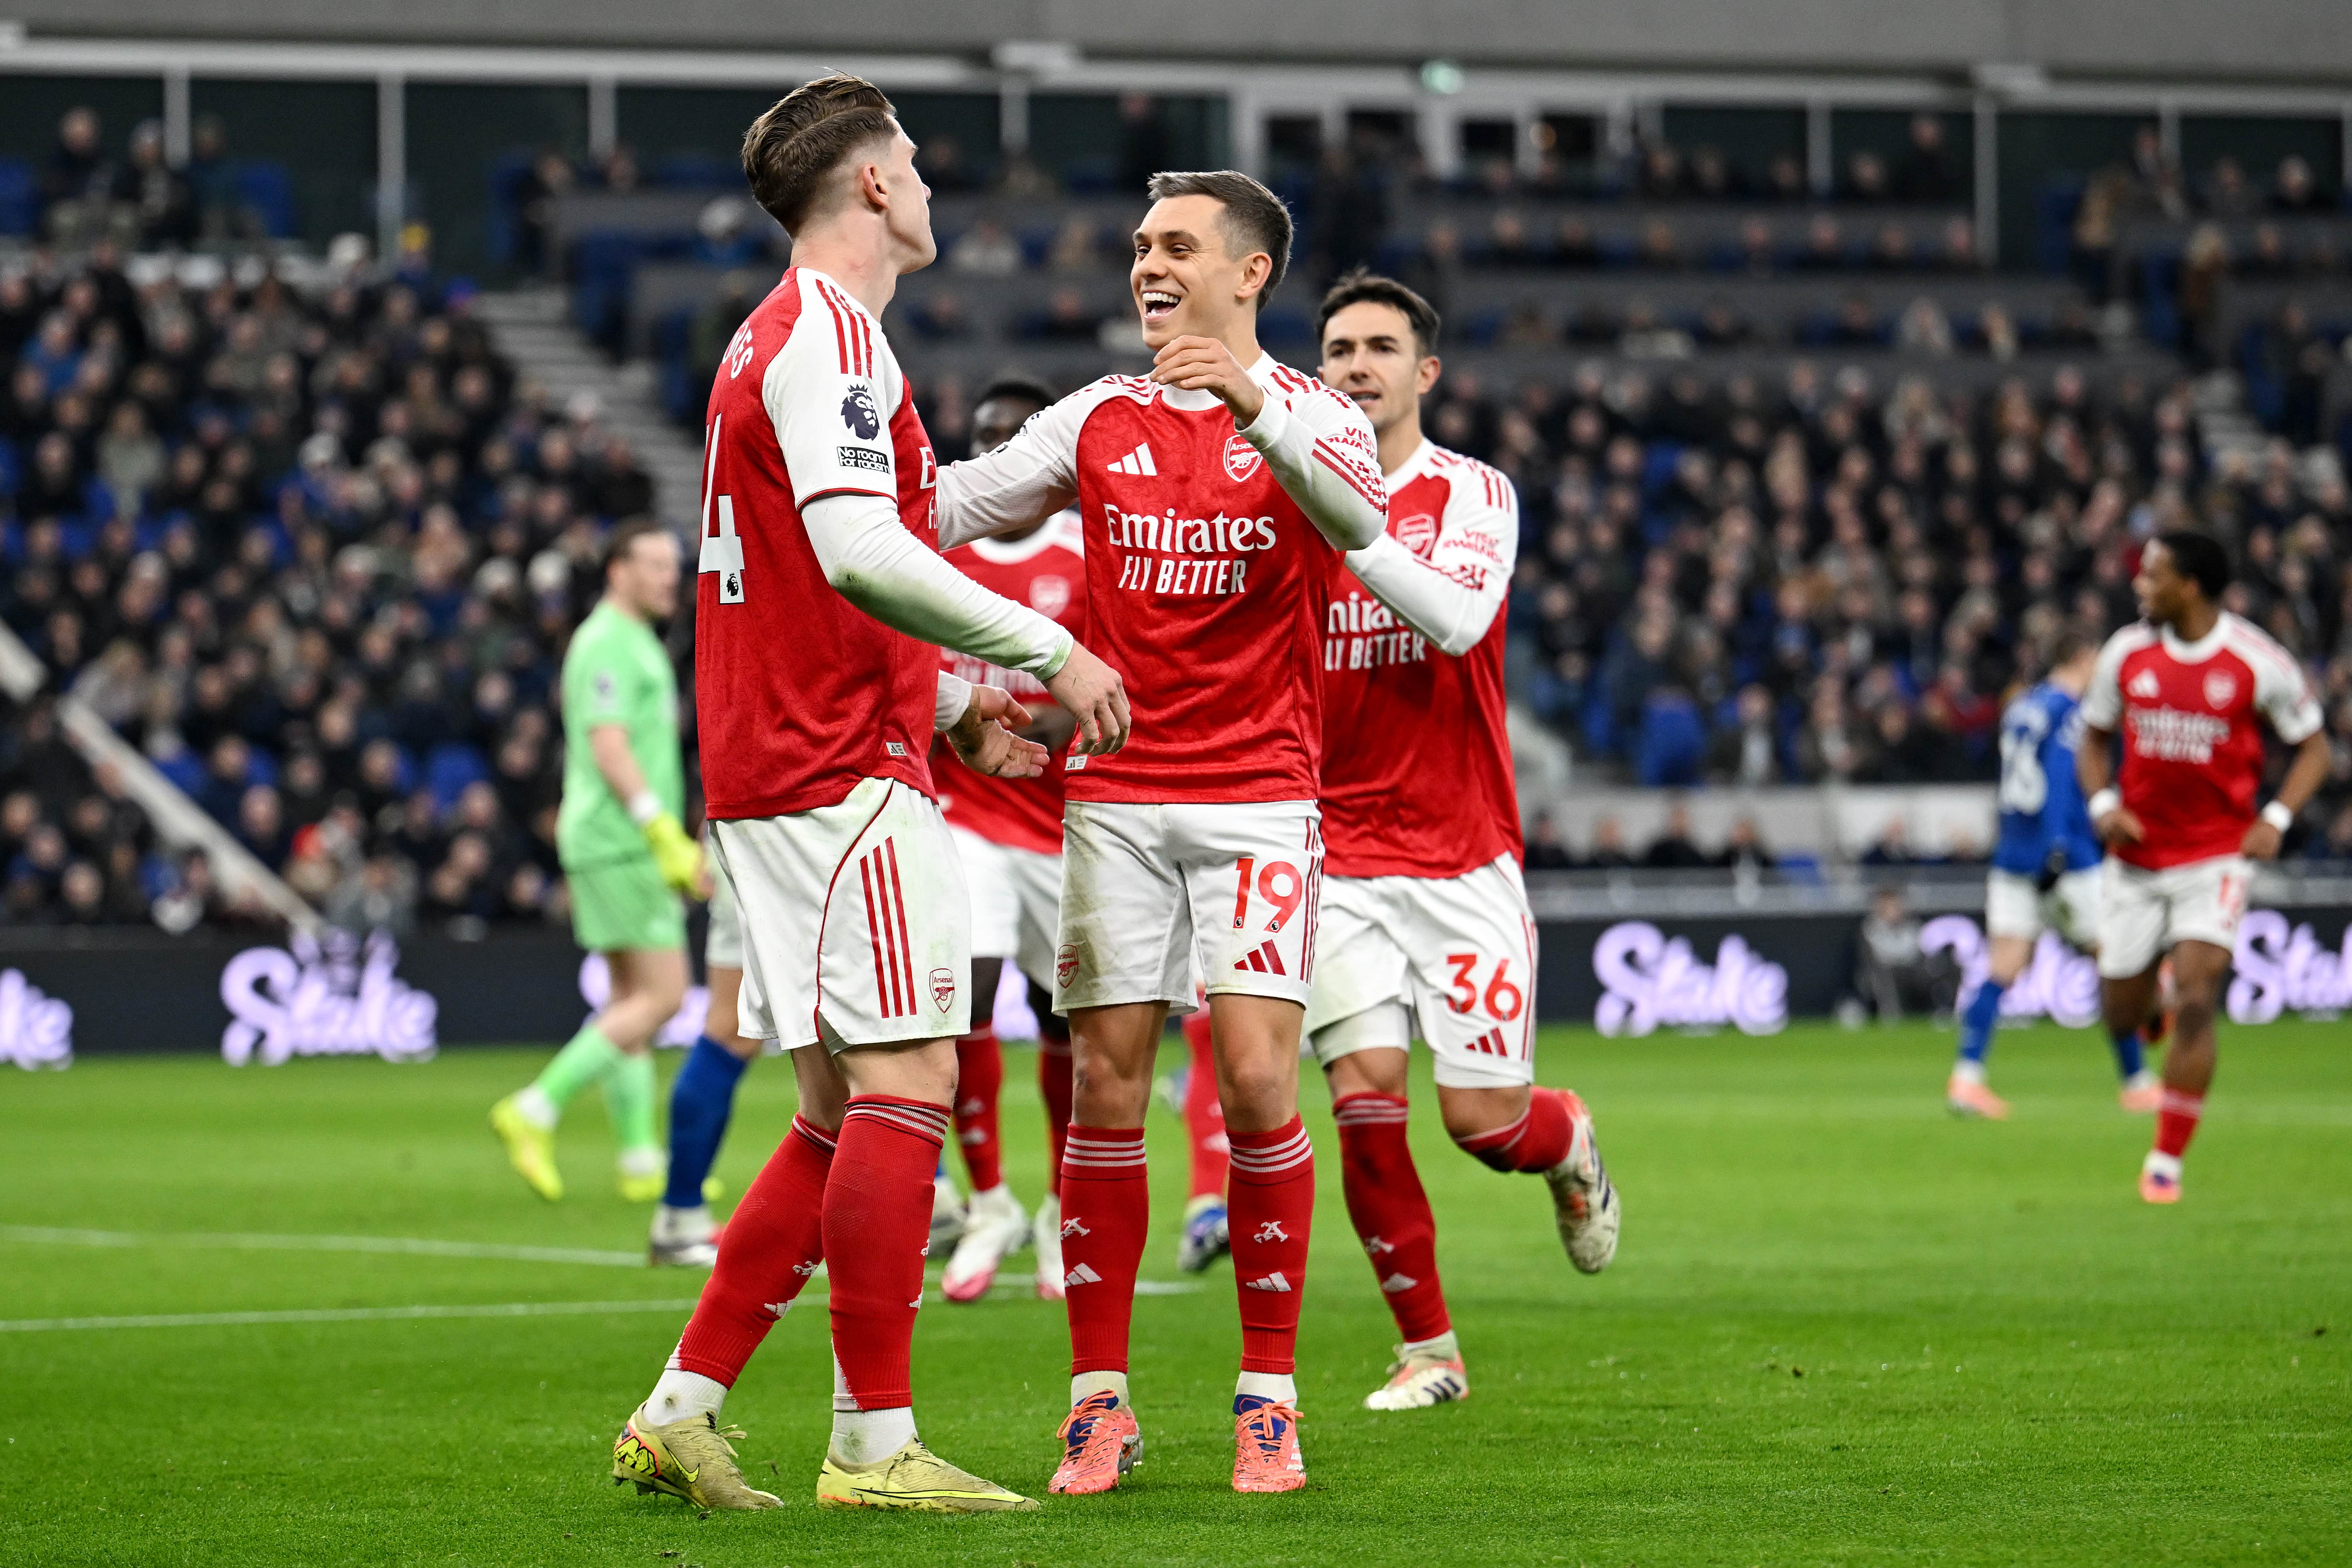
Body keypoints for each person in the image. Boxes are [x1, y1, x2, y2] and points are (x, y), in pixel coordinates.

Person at [606, 73, 1129, 1515]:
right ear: (876, 191)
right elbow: (854, 549)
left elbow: (863, 531)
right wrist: (1043, 645)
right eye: (915, 165)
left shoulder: (791, 342)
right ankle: (873, 1445)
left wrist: (957, 699)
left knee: (840, 1108)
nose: (929, 190)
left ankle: (681, 1408)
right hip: (832, 771)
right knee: (913, 1081)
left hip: (798, 754)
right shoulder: (830, 340)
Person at [934, 168, 1391, 1495]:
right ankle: (1099, 1401)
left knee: (1256, 1083)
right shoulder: (1096, 417)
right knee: (1107, 1088)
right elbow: (957, 507)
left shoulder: (1315, 412)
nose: (1149, 262)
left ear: (1248, 273)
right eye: (1139, 244)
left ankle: (1267, 1395)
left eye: (1177, 244)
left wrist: (1251, 402)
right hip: (1120, 799)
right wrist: (852, 487)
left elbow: (1360, 525)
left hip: (1258, 794)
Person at [1308, 270, 1620, 1412]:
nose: (1355, 366)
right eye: (1337, 348)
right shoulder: (1284, 496)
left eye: (1379, 347)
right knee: (1362, 1097)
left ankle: (1568, 1138)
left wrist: (1343, 527)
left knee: (1482, 1124)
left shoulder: (1473, 493)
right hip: (1332, 857)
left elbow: (1455, 618)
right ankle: (1428, 1351)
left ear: (1422, 372)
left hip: (1460, 850)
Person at [2078, 532, 2329, 1204]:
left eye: (2152, 574)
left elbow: (2315, 749)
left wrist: (2274, 820)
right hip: (2133, 860)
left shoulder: (2255, 661)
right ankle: (2147, 1003)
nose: (2140, 585)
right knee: (2119, 1015)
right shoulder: (2127, 654)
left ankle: (2166, 1160)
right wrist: (2104, 805)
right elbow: (2092, 738)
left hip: (2214, 856)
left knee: (2199, 998)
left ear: (2189, 585)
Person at [930, 375, 1091, 1303]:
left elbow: (1107, 682)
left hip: (1065, 823)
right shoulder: (939, 555)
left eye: (1010, 439)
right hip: (970, 815)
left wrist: (1044, 720)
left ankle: (1060, 1213)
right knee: (970, 989)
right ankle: (988, 1198)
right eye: (982, 436)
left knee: (1067, 1021)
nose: (993, 452)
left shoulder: (1084, 553)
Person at [490, 519, 701, 1205]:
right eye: (655, 564)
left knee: (627, 1000)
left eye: (674, 565)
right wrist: (661, 830)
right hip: (621, 840)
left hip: (611, 838)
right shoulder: (609, 641)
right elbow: (609, 746)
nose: (671, 576)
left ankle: (641, 1160)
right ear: (618, 570)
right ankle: (537, 1107)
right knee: (664, 998)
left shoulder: (633, 639)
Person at [1950, 632, 2162, 1120]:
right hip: (2063, 857)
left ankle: (1967, 1078)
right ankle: (2137, 1080)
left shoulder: (2021, 706)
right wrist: (2060, 852)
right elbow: (2062, 782)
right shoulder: (2070, 711)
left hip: (2012, 856)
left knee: (2002, 967)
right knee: (2115, 962)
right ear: (2082, 656)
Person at [645, 848, 754, 1266]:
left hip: (751, 830)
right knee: (730, 1030)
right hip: (800, 832)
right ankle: (680, 1212)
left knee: (730, 1030)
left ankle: (681, 1213)